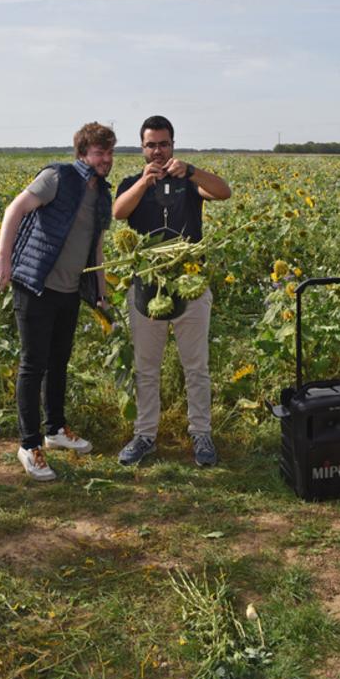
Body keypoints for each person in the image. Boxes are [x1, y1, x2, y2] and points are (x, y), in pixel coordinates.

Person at [0, 123, 116, 482]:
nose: (105, 159)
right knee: (34, 364)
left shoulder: (101, 195)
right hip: (35, 285)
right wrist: (4, 258)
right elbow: (15, 209)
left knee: (60, 361)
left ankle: (55, 428)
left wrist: (101, 292)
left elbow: (97, 248)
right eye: (98, 152)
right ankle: (29, 445)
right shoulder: (57, 177)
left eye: (109, 152)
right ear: (82, 153)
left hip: (69, 289)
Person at [113, 115, 231, 467]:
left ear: (173, 145)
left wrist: (192, 170)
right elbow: (119, 213)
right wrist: (145, 183)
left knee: (196, 367)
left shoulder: (189, 182)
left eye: (163, 144)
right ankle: (145, 435)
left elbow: (223, 192)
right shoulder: (132, 182)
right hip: (147, 288)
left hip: (190, 285)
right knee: (146, 368)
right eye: (151, 145)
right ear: (142, 148)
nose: (158, 151)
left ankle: (201, 434)